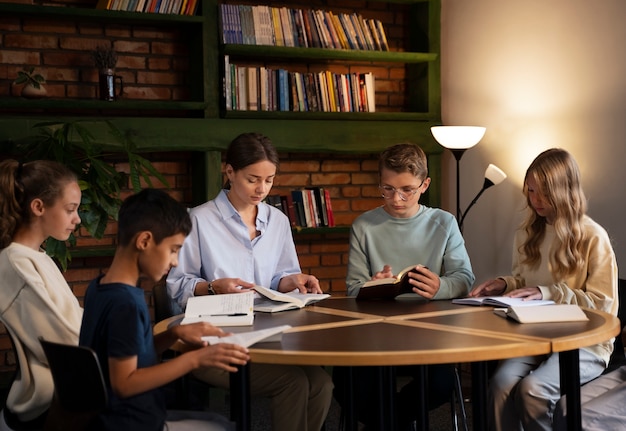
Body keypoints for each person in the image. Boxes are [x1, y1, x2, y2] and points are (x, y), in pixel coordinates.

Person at [166, 132, 333, 431]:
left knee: (322, 383)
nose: (262, 188)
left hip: (270, 336)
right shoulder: (198, 220)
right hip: (217, 340)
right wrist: (214, 287)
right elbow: (177, 285)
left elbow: (278, 278)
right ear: (229, 172)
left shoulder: (278, 221)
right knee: (293, 382)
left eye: (269, 180)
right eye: (253, 179)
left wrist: (294, 280)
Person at [468, 148, 618, 431]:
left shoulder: (592, 236)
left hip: (583, 343)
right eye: (532, 191)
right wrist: (506, 284)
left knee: (532, 390)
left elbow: (603, 307)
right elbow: (526, 285)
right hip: (536, 336)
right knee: (499, 386)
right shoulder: (527, 233)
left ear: (564, 190)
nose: (536, 200)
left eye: (544, 193)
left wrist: (548, 292)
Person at [79, 188, 248, 431]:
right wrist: (195, 359)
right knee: (227, 426)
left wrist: (173, 335)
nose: (175, 262)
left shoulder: (100, 288)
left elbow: (127, 353)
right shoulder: (125, 304)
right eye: (173, 249)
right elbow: (124, 383)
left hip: (113, 419)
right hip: (133, 423)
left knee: (218, 422)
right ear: (144, 241)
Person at [335, 143, 475, 430]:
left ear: (425, 185)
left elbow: (464, 278)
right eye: (387, 189)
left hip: (430, 332)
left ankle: (386, 424)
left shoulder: (443, 223)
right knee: (348, 384)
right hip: (374, 333)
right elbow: (352, 290)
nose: (396, 199)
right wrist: (372, 287)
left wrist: (441, 286)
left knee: (439, 384)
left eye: (407, 190)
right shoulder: (364, 226)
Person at [0, 159, 84, 429]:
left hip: (68, 390)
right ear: (38, 207)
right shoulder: (16, 263)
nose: (78, 219)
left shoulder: (38, 257)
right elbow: (66, 344)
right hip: (49, 404)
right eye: (70, 209)